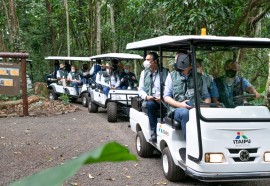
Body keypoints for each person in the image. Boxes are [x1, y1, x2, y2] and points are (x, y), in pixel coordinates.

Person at [164, 53, 211, 140]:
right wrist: (180, 105)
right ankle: (190, 144)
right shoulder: (171, 76)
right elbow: (166, 97)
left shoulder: (199, 77)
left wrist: (206, 106)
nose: (176, 63)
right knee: (185, 113)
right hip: (177, 109)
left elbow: (206, 96)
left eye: (178, 61)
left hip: (197, 107)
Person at [138, 52, 169, 142]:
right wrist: (146, 96)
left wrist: (162, 97)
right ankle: (153, 132)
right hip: (151, 99)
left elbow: (169, 88)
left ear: (155, 61)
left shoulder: (165, 72)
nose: (145, 62)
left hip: (164, 99)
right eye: (146, 59)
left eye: (148, 60)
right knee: (150, 105)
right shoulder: (144, 73)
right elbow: (140, 89)